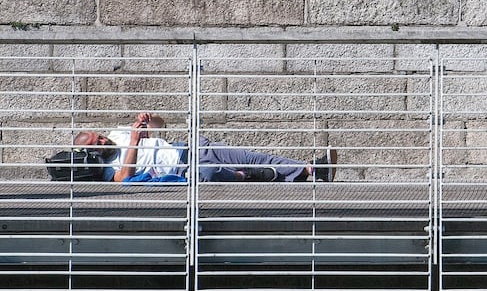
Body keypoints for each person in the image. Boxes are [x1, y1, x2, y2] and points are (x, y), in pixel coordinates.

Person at [73, 113, 334, 183]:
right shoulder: (108, 169)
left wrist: (146, 122)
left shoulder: (117, 134)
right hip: (183, 171)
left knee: (251, 156)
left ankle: (313, 170)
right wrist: (133, 141)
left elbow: (160, 125)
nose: (104, 141)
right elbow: (124, 179)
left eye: (100, 136)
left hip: (189, 149)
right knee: (216, 175)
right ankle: (245, 177)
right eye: (97, 143)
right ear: (92, 153)